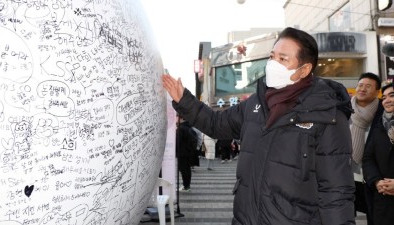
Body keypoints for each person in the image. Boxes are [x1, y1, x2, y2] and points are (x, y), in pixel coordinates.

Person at [163, 27, 355, 224]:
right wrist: (184, 100)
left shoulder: (328, 115)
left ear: (304, 70)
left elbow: (336, 190)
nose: (273, 64)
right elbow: (216, 123)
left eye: (283, 59)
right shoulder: (256, 103)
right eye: (272, 56)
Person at [350, 72, 381, 224]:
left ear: (377, 91)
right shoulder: (344, 109)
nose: (362, 89)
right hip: (346, 175)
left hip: (374, 177)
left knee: (375, 217)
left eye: (368, 86)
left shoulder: (384, 111)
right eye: (360, 85)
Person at [362, 81, 394, 225]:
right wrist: (376, 181)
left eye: (392, 96)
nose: (387, 100)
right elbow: (368, 158)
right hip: (383, 197)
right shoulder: (379, 126)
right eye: (384, 97)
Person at [176, 115, 196, 192]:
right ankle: (187, 185)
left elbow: (178, 141)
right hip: (188, 153)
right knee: (187, 169)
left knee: (183, 169)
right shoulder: (189, 127)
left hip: (182, 153)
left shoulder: (181, 128)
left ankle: (186, 186)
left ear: (180, 118)